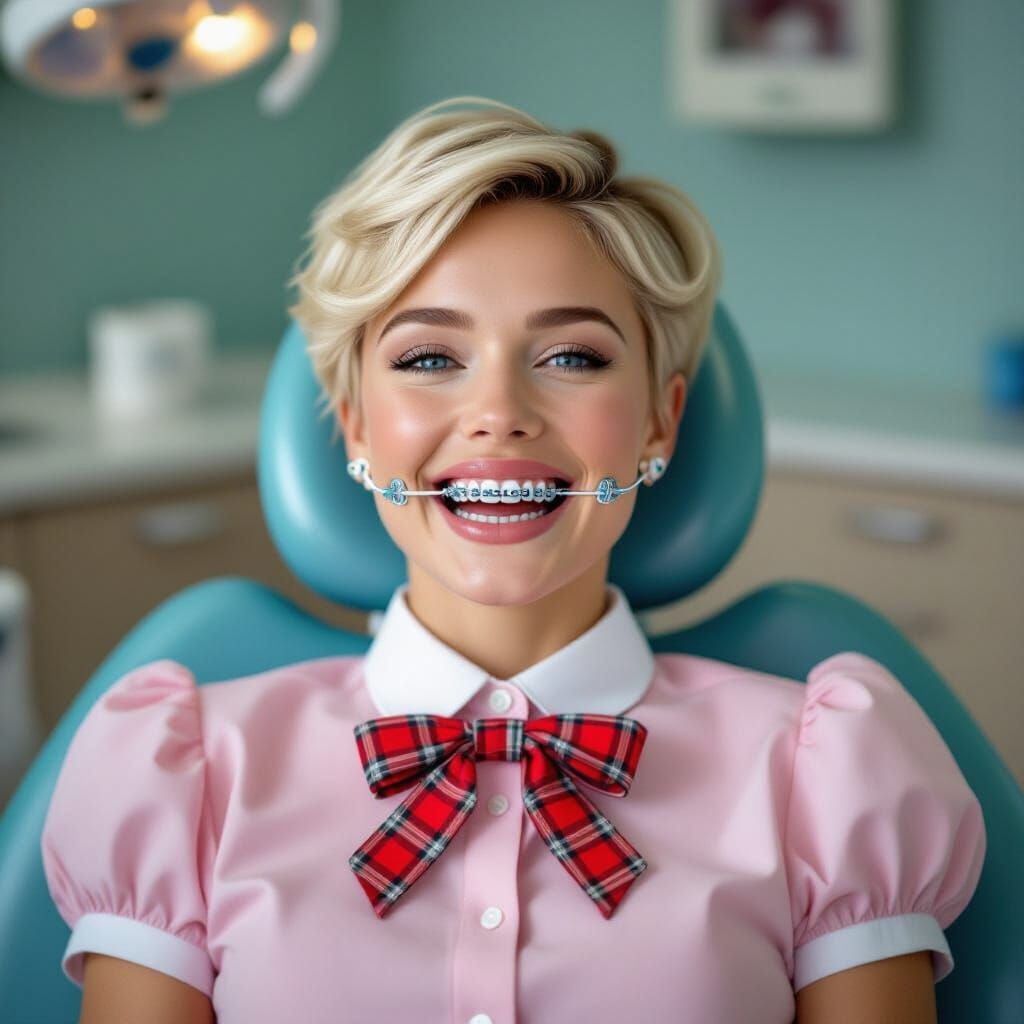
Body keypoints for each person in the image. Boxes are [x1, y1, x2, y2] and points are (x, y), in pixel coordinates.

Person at [40, 96, 986, 1023]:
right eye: (428, 359)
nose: (499, 412)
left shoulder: (826, 781)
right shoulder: (186, 777)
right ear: (357, 423)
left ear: (661, 419)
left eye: (571, 357)